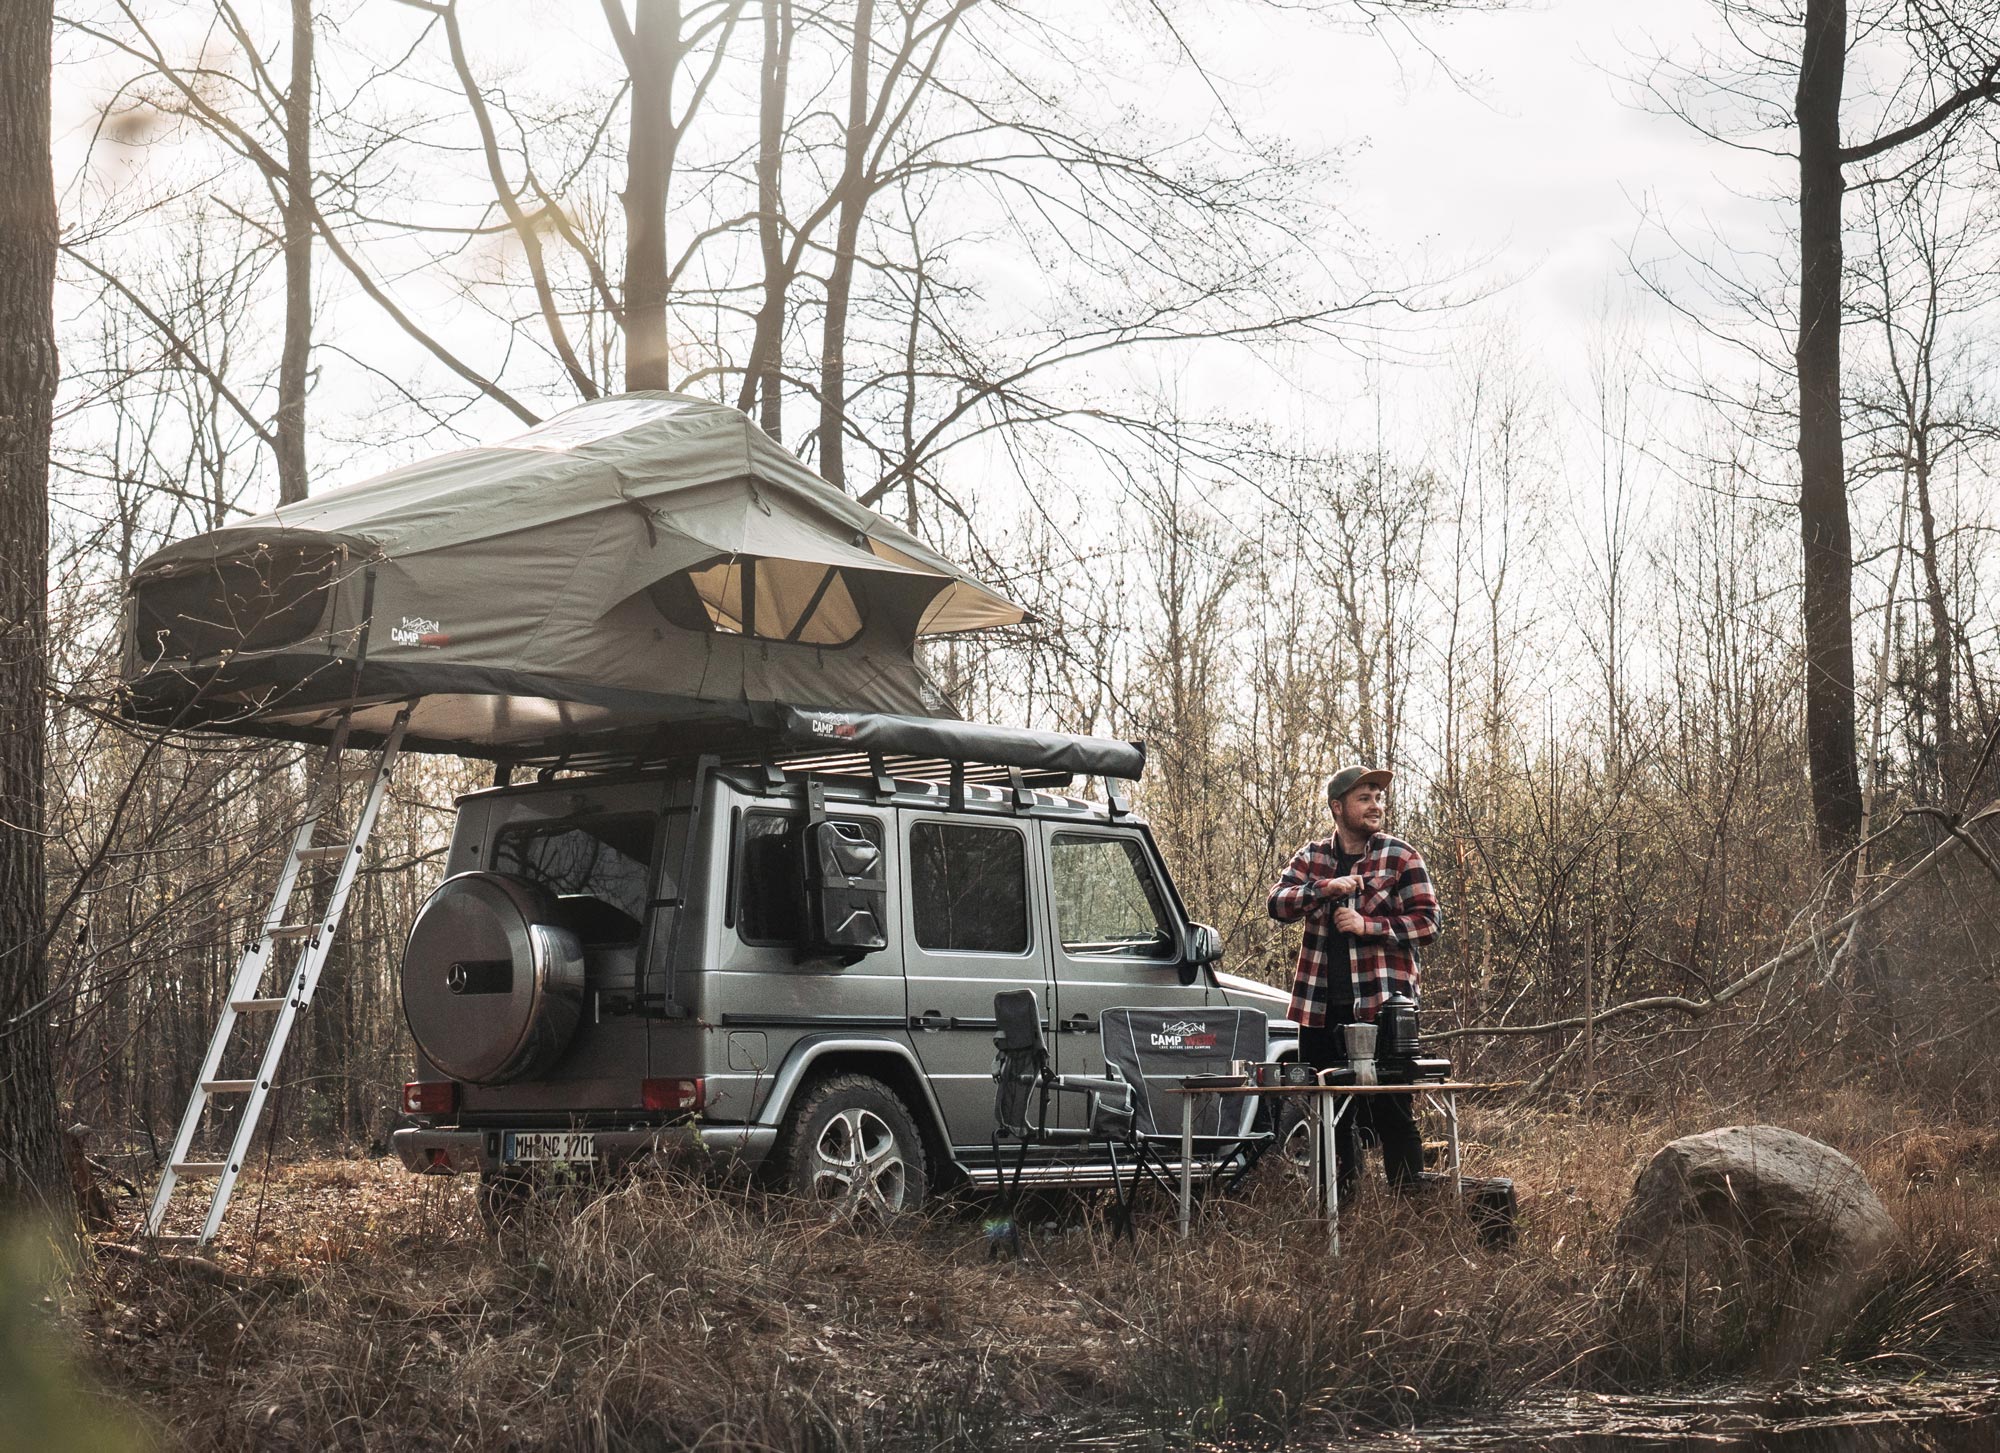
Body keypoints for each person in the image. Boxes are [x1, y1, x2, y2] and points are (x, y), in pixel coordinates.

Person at [1267, 765, 1440, 1193]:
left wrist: (1369, 927)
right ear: (1337, 807)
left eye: (1378, 798)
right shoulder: (1312, 858)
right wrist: (1323, 889)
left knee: (1391, 1110)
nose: (1375, 806)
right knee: (1328, 1111)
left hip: (1384, 1008)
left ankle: (1409, 1211)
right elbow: (1277, 903)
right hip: (1319, 1008)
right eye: (1365, 798)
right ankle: (1337, 1211)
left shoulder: (1400, 855)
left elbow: (1429, 923)